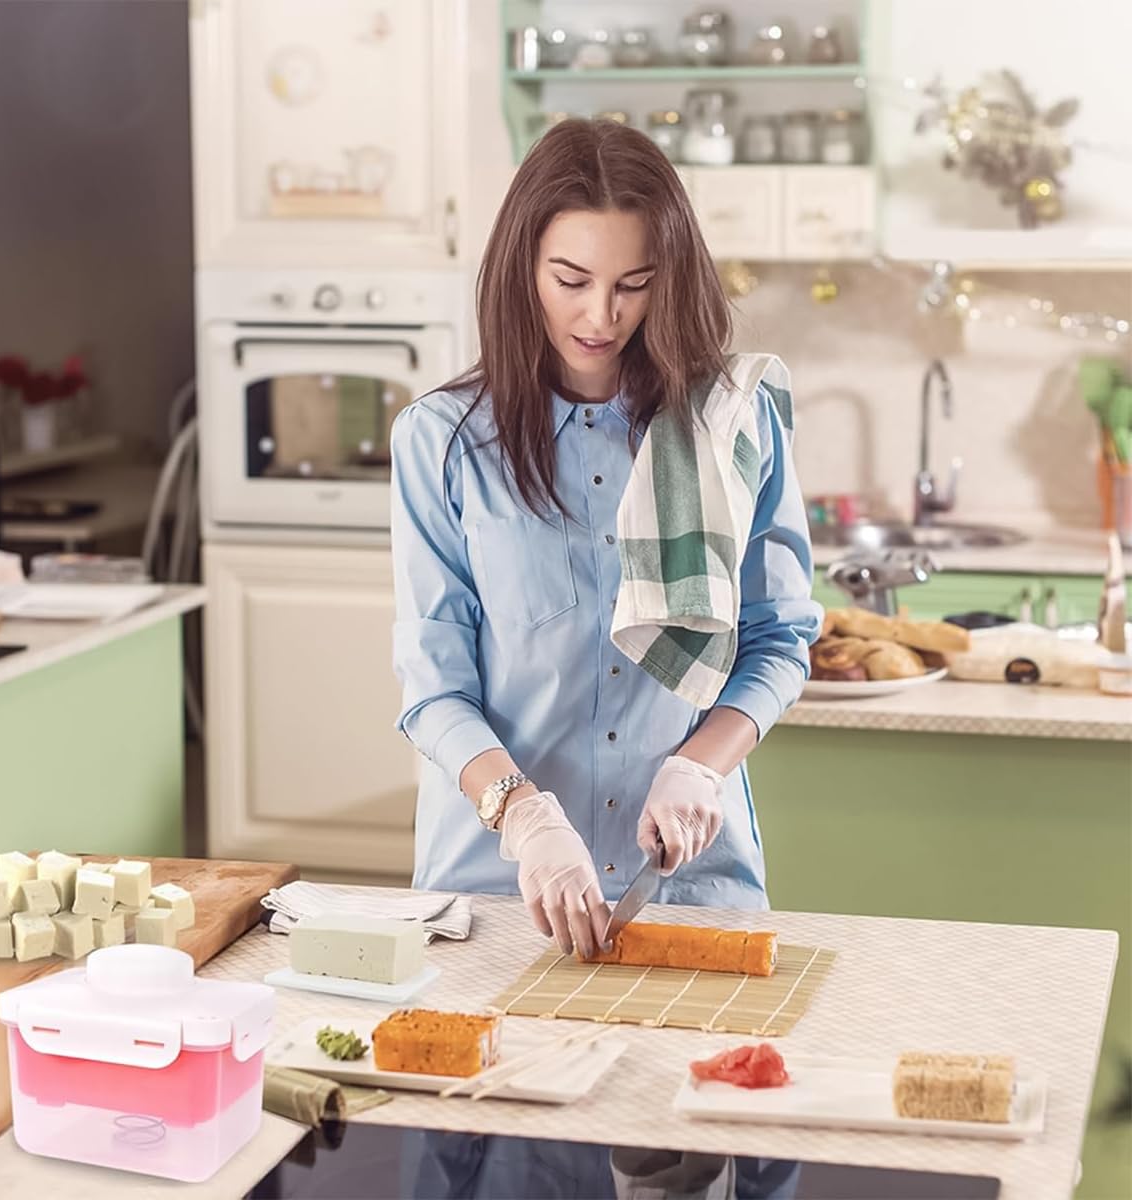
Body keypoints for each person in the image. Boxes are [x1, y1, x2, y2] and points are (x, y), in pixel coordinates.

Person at [389, 118, 820, 1200]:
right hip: (498, 900)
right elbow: (434, 685)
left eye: (633, 284)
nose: (599, 316)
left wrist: (700, 764)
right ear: (520, 265)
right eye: (571, 278)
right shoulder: (442, 445)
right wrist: (523, 818)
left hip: (691, 893)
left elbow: (777, 640)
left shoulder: (733, 423)